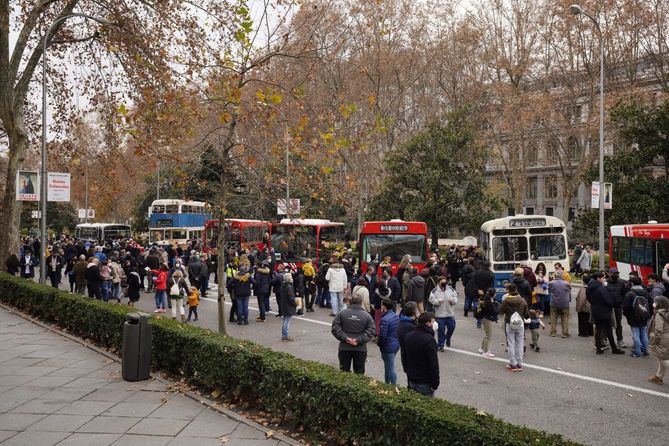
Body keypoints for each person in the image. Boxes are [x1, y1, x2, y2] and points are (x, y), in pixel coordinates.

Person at [330, 293, 375, 375]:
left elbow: (335, 328)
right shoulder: (367, 316)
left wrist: (345, 338)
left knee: (343, 373)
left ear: (350, 302)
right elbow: (371, 330)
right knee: (359, 374)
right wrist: (358, 340)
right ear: (361, 302)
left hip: (344, 347)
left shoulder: (342, 313)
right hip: (360, 349)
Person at [586, 271, 624, 355]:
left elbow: (589, 298)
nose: (604, 279)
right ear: (598, 278)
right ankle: (614, 348)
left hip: (595, 310)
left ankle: (598, 348)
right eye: (603, 277)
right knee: (608, 330)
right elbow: (609, 301)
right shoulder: (601, 288)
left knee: (598, 330)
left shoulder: (590, 287)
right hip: (604, 311)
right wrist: (610, 305)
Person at [403, 312, 439, 397]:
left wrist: (407, 371)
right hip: (425, 382)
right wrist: (435, 383)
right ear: (428, 324)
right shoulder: (429, 340)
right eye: (433, 322)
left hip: (411, 378)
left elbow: (404, 356)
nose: (434, 324)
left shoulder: (408, 335)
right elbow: (433, 365)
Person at [499, 283, 529, 371]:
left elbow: (501, 311)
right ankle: (520, 363)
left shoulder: (506, 300)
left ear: (509, 291)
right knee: (520, 343)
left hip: (509, 323)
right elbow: (526, 313)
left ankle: (513, 363)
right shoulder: (522, 300)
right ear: (516, 290)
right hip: (520, 323)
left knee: (510, 343)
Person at [622, 276, 651, 357]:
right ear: (641, 282)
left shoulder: (629, 294)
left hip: (633, 316)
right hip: (644, 315)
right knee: (644, 333)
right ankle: (645, 351)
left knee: (635, 333)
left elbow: (626, 307)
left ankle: (637, 352)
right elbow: (651, 304)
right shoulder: (646, 292)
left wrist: (626, 315)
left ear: (632, 283)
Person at [429, 278, 457, 351]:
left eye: (445, 283)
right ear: (438, 283)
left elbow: (455, 297)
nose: (444, 285)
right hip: (440, 314)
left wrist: (453, 301)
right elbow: (431, 299)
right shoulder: (434, 290)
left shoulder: (451, 289)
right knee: (441, 330)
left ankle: (448, 338)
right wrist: (437, 301)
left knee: (452, 327)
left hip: (450, 313)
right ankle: (441, 345)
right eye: (442, 283)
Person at [647, 296, 669, 385]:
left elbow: (658, 329)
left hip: (662, 338)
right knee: (663, 357)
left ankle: (658, 377)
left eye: (655, 302)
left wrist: (653, 339)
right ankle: (658, 377)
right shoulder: (667, 312)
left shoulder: (659, 314)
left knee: (662, 358)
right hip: (667, 337)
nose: (653, 303)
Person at [377, 298, 400, 384]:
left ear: (384, 306)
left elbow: (383, 336)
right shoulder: (396, 316)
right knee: (388, 366)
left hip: (388, 346)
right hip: (395, 344)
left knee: (390, 367)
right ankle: (387, 383)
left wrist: (380, 344)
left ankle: (393, 385)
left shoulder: (385, 319)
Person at [606, 268, 627, 348]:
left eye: (617, 273)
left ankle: (620, 340)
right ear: (609, 274)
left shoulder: (621, 282)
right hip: (608, 306)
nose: (616, 275)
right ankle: (606, 338)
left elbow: (624, 294)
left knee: (618, 324)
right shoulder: (606, 282)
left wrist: (621, 303)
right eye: (614, 273)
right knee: (607, 323)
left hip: (618, 306)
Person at [477, 288, 499, 358]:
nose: (496, 294)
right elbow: (494, 311)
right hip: (487, 319)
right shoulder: (489, 302)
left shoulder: (486, 299)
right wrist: (499, 307)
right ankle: (486, 351)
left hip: (484, 318)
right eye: (495, 293)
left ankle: (482, 348)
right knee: (489, 335)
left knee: (486, 334)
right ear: (493, 294)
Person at [548, 270, 571, 337]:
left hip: (554, 302)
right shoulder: (566, 283)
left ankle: (553, 332)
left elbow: (549, 290)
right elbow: (569, 289)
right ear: (562, 276)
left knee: (553, 317)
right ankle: (564, 333)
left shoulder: (551, 283)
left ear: (555, 275)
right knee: (565, 317)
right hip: (564, 303)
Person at [398, 302, 418, 379]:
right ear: (413, 312)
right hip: (411, 358)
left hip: (406, 357)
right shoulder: (410, 326)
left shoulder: (403, 322)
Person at [279, 272, 297, 341]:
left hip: (284, 304)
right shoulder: (289, 287)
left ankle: (284, 335)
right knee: (287, 321)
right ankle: (285, 336)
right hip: (288, 306)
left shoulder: (283, 286)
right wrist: (295, 304)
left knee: (285, 320)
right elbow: (291, 298)